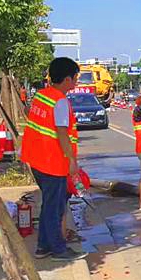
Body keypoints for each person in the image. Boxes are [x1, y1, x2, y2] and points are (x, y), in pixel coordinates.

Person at [20, 57, 86, 261]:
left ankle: (43, 247)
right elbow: (62, 133)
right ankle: (59, 250)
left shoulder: (42, 96)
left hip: (36, 159)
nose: (76, 83)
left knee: (49, 205)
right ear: (67, 79)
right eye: (75, 78)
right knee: (54, 208)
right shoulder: (60, 101)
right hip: (52, 162)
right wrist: (72, 160)